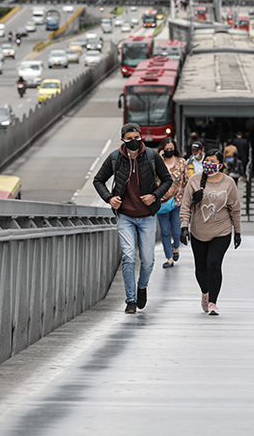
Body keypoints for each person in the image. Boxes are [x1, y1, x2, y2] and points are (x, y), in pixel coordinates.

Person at [93, 123, 173, 314]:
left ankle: (142, 287)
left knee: (147, 261)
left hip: (146, 216)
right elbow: (98, 180)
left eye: (137, 138)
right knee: (128, 257)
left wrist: (155, 195)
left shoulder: (152, 156)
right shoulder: (115, 158)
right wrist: (109, 198)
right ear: (123, 140)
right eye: (129, 139)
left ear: (141, 137)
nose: (134, 142)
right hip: (125, 216)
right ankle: (130, 299)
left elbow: (167, 179)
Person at [180, 149, 242, 316]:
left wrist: (237, 232)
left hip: (221, 231)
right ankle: (205, 292)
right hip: (198, 231)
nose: (209, 165)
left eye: (213, 162)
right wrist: (184, 227)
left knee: (213, 264)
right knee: (201, 267)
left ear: (220, 165)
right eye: (207, 161)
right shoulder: (194, 181)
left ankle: (213, 302)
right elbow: (185, 206)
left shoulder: (229, 183)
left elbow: (235, 208)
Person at [157, 138, 188, 269]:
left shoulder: (182, 162)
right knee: (164, 231)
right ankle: (169, 258)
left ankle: (176, 247)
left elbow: (187, 180)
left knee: (176, 231)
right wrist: (158, 159)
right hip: (162, 201)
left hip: (177, 202)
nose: (169, 151)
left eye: (171, 148)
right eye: (167, 149)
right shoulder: (158, 162)